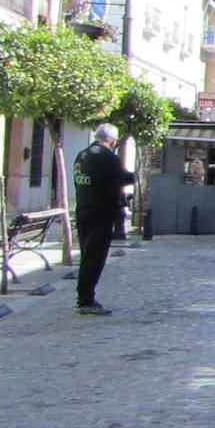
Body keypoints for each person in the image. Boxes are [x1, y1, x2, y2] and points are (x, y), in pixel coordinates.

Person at [72, 123, 135, 316]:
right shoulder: (107, 157)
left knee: (86, 254)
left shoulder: (82, 155)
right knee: (95, 256)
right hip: (101, 212)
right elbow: (122, 178)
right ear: (113, 140)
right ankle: (86, 299)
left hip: (83, 209)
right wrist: (134, 176)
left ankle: (84, 296)